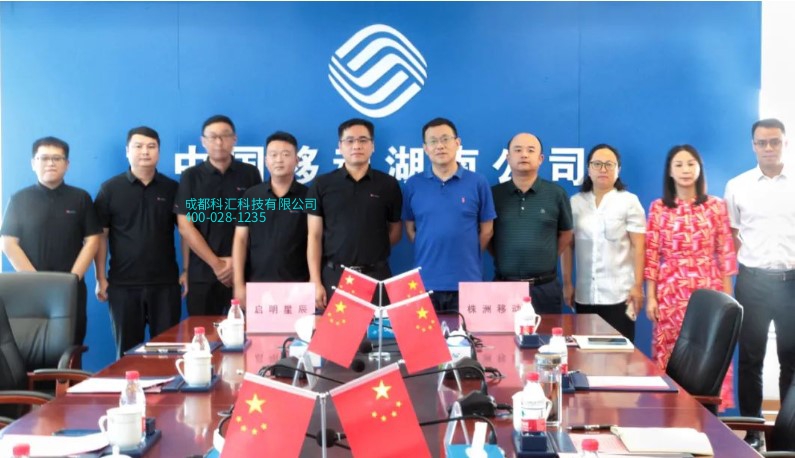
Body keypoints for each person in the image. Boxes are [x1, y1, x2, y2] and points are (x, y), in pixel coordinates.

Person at [644, 144, 737, 409]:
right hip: (670, 293)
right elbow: (651, 254)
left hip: (708, 290)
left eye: (691, 164)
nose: (685, 170)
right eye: (679, 165)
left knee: (710, 356)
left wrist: (727, 298)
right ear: (670, 172)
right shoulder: (659, 208)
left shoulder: (716, 206)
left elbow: (726, 252)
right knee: (671, 356)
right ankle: (670, 416)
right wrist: (651, 297)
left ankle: (709, 419)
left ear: (699, 168)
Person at [725, 118, 795, 450]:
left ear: (785, 142)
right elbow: (733, 232)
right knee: (750, 359)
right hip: (753, 284)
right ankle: (753, 432)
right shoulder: (738, 186)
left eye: (775, 141)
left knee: (791, 359)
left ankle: (787, 433)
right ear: (753, 145)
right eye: (762, 142)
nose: (769, 148)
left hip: (792, 283)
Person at [93, 127, 188, 359]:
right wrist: (100, 277)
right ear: (127, 151)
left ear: (159, 152)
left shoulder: (172, 188)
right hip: (123, 285)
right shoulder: (110, 189)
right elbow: (101, 236)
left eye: (151, 146)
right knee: (126, 356)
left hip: (165, 285)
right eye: (138, 146)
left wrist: (187, 269)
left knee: (166, 355)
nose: (145, 152)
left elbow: (185, 232)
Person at [0, 136, 101, 345]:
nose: (51, 163)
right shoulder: (19, 199)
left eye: (57, 158)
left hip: (71, 288)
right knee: (29, 347)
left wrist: (71, 280)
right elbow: (8, 243)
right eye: (44, 158)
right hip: (30, 290)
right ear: (33, 163)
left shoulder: (81, 198)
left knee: (72, 346)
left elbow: (93, 240)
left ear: (67, 164)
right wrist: (37, 282)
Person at [306, 118, 402, 309]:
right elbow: (314, 236)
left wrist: (369, 248)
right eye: (349, 141)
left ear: (373, 146)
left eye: (363, 140)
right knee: (335, 330)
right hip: (334, 276)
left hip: (377, 276)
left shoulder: (389, 184)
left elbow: (395, 231)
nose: (356, 146)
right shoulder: (320, 184)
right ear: (340, 146)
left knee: (378, 329)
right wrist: (315, 280)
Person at [403, 117, 495, 314]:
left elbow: (487, 230)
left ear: (457, 142)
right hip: (425, 282)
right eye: (433, 141)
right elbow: (410, 229)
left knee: (468, 334)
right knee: (425, 335)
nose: (440, 146)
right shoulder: (413, 184)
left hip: (467, 282)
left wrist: (466, 252)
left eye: (445, 139)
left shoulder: (478, 182)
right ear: (425, 148)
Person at [174, 115, 262, 316]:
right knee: (202, 331)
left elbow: (256, 223)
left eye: (225, 136)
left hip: (243, 272)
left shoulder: (250, 174)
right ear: (203, 141)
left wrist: (235, 263)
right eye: (213, 137)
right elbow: (185, 226)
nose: (219, 142)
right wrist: (217, 264)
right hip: (203, 272)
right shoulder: (191, 176)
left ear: (234, 139)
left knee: (246, 332)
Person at [561, 144, 645, 341]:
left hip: (620, 296)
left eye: (609, 164)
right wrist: (567, 283)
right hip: (585, 295)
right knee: (585, 352)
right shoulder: (575, 203)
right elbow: (567, 246)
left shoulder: (629, 201)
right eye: (597, 164)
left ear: (618, 169)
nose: (603, 169)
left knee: (619, 354)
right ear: (589, 169)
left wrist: (637, 285)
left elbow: (639, 246)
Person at [490, 132, 572, 314]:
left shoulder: (556, 194)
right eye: (518, 150)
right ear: (508, 158)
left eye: (530, 150)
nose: (524, 155)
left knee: (547, 333)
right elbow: (487, 234)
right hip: (504, 287)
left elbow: (566, 233)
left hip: (544, 288)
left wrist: (547, 255)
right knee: (502, 334)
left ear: (541, 159)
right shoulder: (494, 195)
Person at [233, 131, 309, 307]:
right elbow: (240, 240)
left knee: (299, 327)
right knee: (259, 327)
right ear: (266, 160)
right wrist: (238, 284)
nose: (279, 160)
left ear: (297, 160)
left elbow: (315, 240)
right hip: (258, 286)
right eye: (273, 155)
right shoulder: (252, 196)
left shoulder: (309, 196)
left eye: (286, 154)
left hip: (299, 287)